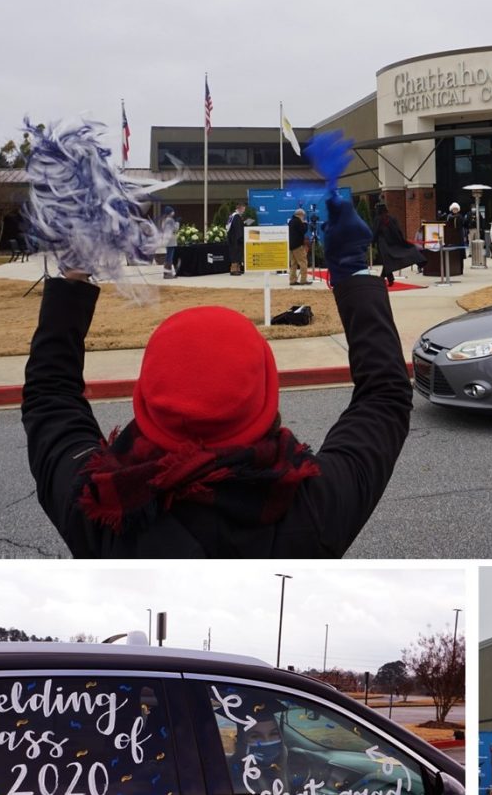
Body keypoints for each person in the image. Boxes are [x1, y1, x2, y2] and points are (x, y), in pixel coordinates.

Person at [21, 190, 412, 558]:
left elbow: (49, 396)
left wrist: (74, 275)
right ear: (265, 397)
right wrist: (353, 272)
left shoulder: (99, 504)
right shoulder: (314, 506)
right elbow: (384, 397)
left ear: (146, 398)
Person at [372, 202, 423, 287]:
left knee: (386, 261)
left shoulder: (378, 219)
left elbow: (375, 231)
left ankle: (385, 278)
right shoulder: (392, 218)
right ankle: (387, 278)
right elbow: (398, 230)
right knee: (387, 261)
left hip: (383, 244)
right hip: (393, 242)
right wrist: (401, 240)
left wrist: (372, 242)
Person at [288, 208, 309, 285]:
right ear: (300, 215)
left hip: (291, 245)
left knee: (293, 264)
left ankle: (292, 280)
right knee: (303, 262)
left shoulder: (291, 221)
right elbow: (303, 231)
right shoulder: (298, 221)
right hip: (297, 246)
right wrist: (305, 223)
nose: (303, 217)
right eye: (303, 216)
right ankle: (303, 280)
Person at [227, 202, 247, 275]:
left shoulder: (233, 216)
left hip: (232, 238)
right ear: (240, 208)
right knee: (235, 254)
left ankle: (238, 269)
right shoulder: (236, 217)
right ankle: (233, 270)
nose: (244, 211)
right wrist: (241, 238)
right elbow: (238, 229)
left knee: (237, 254)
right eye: (243, 209)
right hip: (236, 239)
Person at [160, 206, 179, 279]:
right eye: (172, 211)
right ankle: (168, 274)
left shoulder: (164, 220)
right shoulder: (170, 220)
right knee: (169, 257)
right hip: (171, 241)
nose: (173, 212)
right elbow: (175, 229)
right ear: (170, 212)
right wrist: (177, 222)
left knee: (168, 256)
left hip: (167, 240)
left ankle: (166, 273)